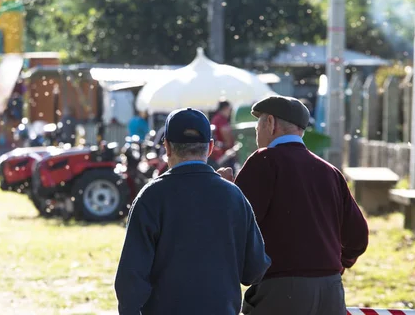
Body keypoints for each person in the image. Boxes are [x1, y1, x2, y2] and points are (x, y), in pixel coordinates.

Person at [217, 95, 369, 315]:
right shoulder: (330, 172)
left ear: (271, 123)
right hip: (331, 290)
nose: (257, 131)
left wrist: (227, 191)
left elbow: (236, 226)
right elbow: (358, 237)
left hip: (281, 288)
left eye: (258, 124)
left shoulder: (264, 161)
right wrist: (330, 265)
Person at [115, 107, 271, 315]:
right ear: (210, 147)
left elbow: (130, 278)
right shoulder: (234, 196)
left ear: (167, 147)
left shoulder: (150, 197)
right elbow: (254, 270)